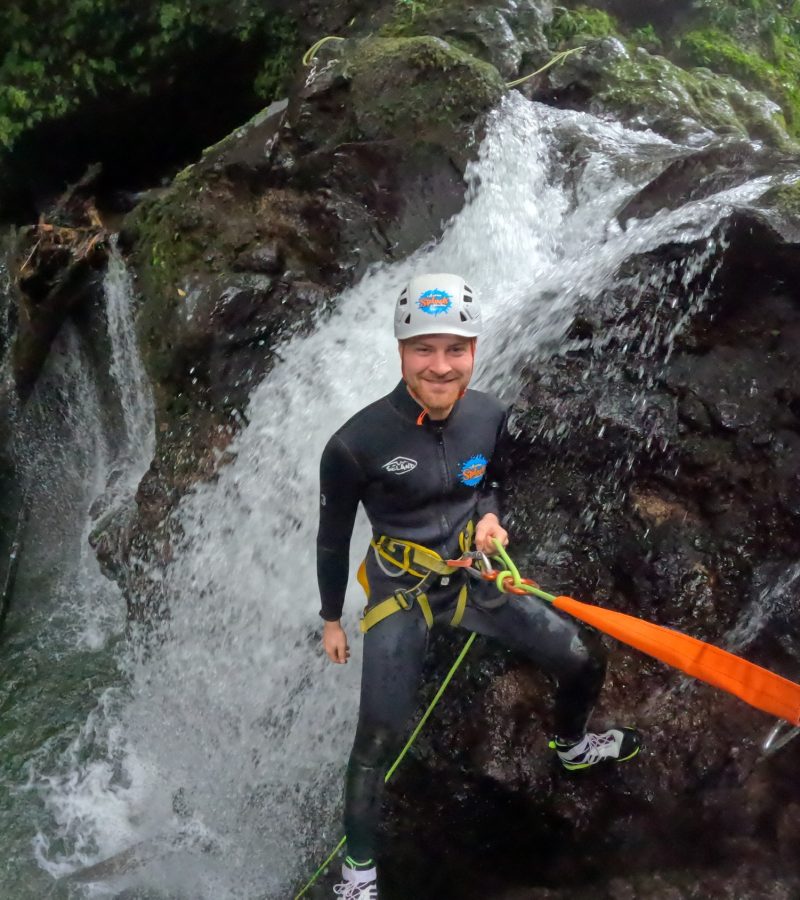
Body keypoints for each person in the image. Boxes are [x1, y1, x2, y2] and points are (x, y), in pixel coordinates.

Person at [316, 273, 640, 899]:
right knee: (377, 739)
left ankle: (572, 745)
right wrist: (332, 618)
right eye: (424, 349)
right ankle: (357, 873)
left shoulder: (490, 414)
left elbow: (488, 479)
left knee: (581, 658)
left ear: (473, 350)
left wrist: (489, 517)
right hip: (402, 591)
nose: (441, 367)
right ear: (401, 350)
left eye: (455, 349)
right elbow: (331, 541)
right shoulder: (355, 445)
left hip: (472, 575)